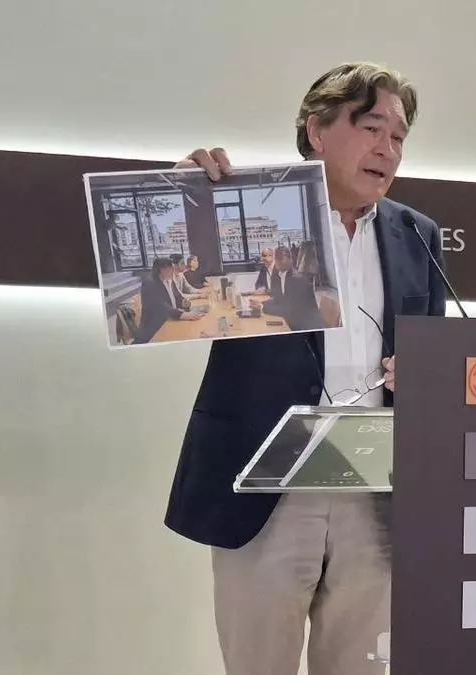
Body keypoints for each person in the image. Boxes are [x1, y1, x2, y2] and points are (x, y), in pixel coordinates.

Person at [163, 62, 449, 675]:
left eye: (399, 137)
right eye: (372, 128)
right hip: (268, 486)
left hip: (374, 489)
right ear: (318, 131)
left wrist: (424, 376)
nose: (388, 149)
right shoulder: (250, 215)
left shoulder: (417, 234)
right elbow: (170, 289)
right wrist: (181, 202)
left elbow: (437, 357)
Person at [136, 257, 201, 343]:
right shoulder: (150, 283)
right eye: (171, 268)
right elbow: (161, 306)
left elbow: (178, 296)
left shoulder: (168, 279)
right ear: (162, 270)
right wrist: (182, 315)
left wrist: (184, 303)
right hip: (155, 330)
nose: (173, 271)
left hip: (170, 320)